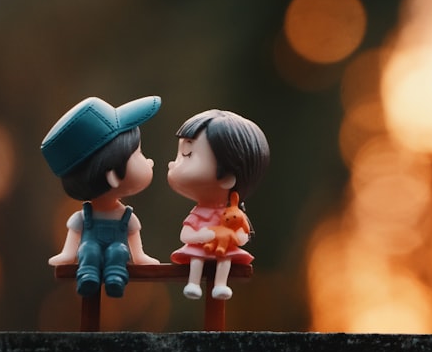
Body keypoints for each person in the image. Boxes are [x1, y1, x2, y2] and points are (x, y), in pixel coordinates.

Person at [41, 96, 161, 297]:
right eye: (138, 153)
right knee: (88, 250)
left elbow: (135, 248)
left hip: (118, 249)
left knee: (119, 252)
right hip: (89, 249)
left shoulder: (127, 217)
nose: (149, 161)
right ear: (112, 175)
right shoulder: (83, 217)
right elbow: (73, 245)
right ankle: (88, 276)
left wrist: (140, 258)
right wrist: (68, 255)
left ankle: (116, 276)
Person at [168, 109, 269, 300]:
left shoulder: (233, 214)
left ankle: (221, 285)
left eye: (187, 154)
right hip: (200, 247)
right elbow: (185, 234)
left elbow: (242, 235)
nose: (173, 165)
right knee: (196, 259)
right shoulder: (199, 213)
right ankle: (193, 283)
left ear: (227, 178)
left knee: (226, 259)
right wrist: (200, 235)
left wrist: (236, 237)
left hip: (224, 250)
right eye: (179, 155)